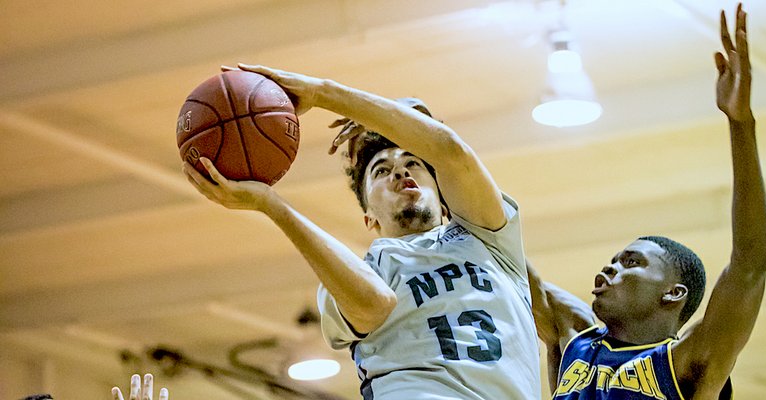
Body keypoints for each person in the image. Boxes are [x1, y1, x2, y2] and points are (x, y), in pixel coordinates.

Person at [183, 67, 540, 397]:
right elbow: (373, 305)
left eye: (412, 163)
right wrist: (270, 204)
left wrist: (323, 93)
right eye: (381, 171)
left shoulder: (488, 240)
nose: (400, 172)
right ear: (369, 217)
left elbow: (451, 152)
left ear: (445, 199)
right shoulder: (361, 269)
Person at [527, 4, 766, 399]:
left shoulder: (686, 363)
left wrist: (741, 123)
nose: (610, 266)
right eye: (617, 259)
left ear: (672, 293)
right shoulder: (574, 336)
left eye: (632, 262)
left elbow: (749, 265)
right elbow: (498, 245)